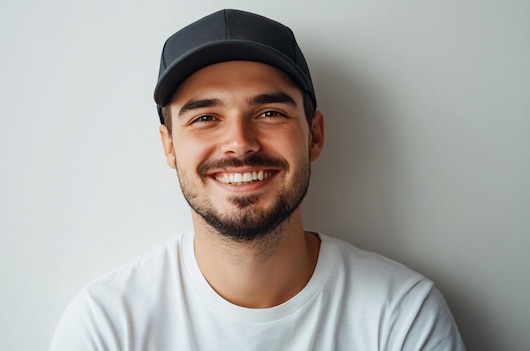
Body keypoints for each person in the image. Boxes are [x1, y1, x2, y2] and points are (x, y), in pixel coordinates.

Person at [50, 9, 465, 350]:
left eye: (270, 113)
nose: (239, 143)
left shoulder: (400, 316)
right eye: (205, 118)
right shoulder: (106, 327)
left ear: (314, 135)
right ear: (170, 147)